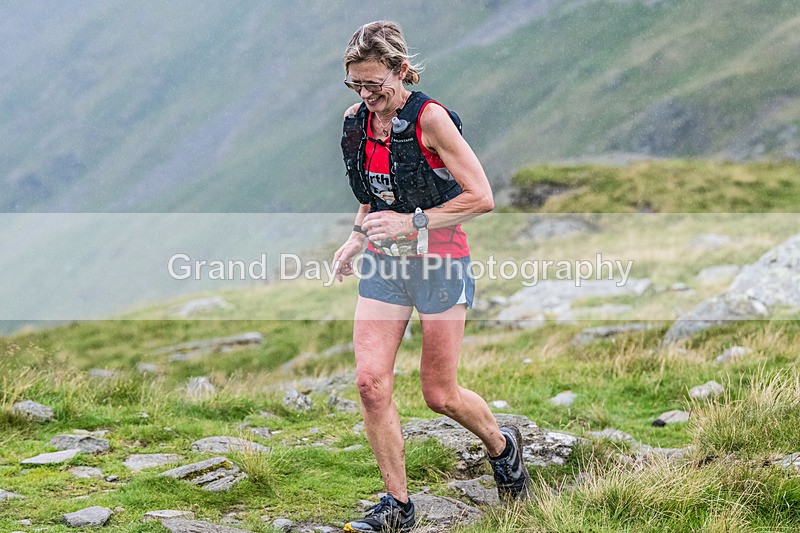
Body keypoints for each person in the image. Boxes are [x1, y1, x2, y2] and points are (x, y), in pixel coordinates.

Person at [332, 20, 531, 533]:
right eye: (357, 84)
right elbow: (376, 187)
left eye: (375, 84)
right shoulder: (358, 121)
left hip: (441, 261)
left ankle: (502, 446)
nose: (367, 95)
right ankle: (397, 505)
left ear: (401, 71)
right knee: (370, 383)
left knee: (439, 394)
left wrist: (412, 221)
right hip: (385, 264)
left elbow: (481, 197)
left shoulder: (431, 119)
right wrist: (358, 236)